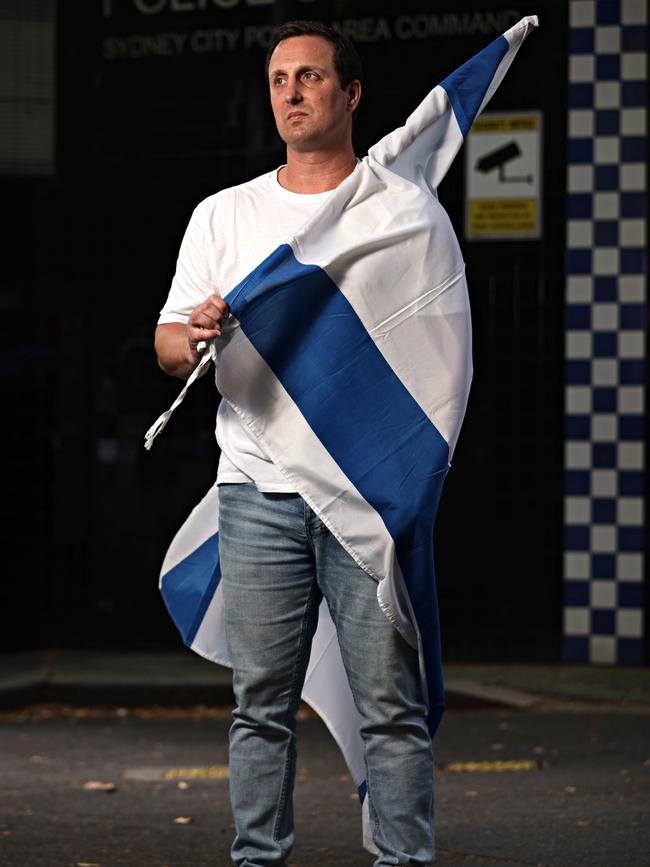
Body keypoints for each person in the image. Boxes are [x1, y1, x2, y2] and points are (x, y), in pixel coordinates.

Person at [154, 21, 435, 867]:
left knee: (390, 700)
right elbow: (167, 344)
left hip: (363, 493)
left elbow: (436, 359)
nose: (292, 93)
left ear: (351, 95)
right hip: (256, 489)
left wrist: (409, 478)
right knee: (260, 702)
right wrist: (195, 335)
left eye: (311, 77)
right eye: (279, 79)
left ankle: (402, 858)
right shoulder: (225, 213)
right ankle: (257, 859)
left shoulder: (400, 212)